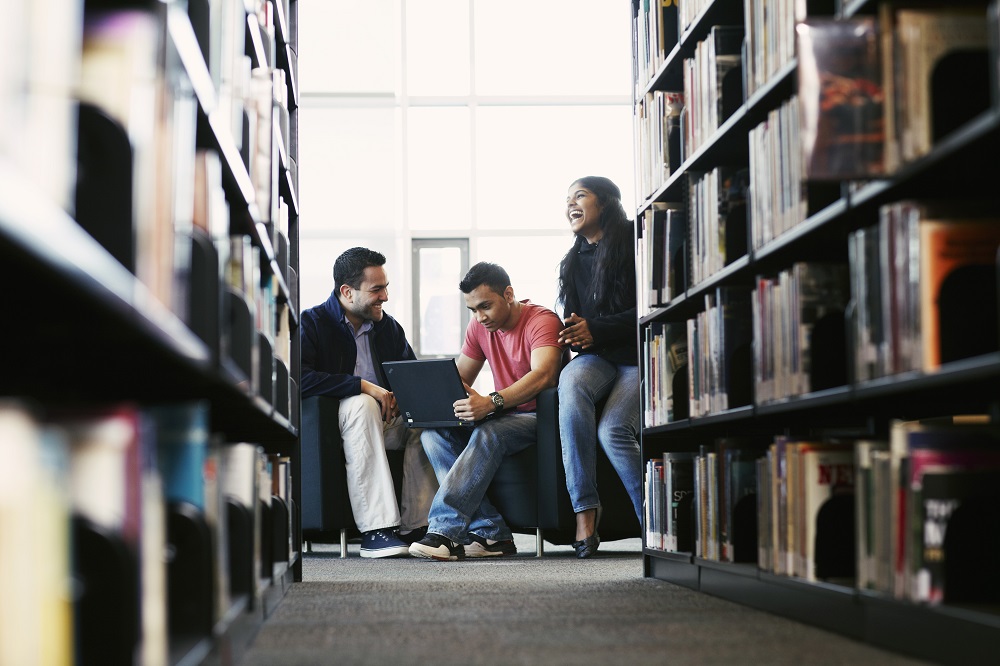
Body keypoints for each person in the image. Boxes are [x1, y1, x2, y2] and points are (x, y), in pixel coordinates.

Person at [408, 262, 564, 560]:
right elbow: (460, 377)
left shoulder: (541, 321)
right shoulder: (479, 327)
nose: (480, 317)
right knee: (432, 434)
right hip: (504, 413)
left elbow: (545, 375)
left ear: (508, 294)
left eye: (485, 306)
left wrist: (490, 402)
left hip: (541, 418)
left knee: (489, 430)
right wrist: (432, 401)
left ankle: (443, 530)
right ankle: (492, 534)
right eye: (472, 310)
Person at [300, 247, 437, 558]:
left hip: (385, 421)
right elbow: (301, 379)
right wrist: (362, 386)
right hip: (335, 422)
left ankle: (417, 526)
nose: (385, 297)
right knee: (361, 404)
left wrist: (406, 398)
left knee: (425, 420)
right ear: (347, 292)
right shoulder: (311, 323)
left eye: (386, 287)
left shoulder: (388, 327)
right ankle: (377, 529)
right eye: (377, 289)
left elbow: (409, 375)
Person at [556, 176, 642, 558]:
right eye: (567, 199)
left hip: (639, 357)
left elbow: (650, 307)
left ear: (605, 202)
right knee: (570, 381)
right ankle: (585, 513)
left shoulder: (636, 239)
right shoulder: (572, 260)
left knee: (613, 432)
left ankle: (654, 524)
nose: (571, 204)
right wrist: (572, 334)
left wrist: (595, 329)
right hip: (600, 357)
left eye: (580, 195)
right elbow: (579, 320)